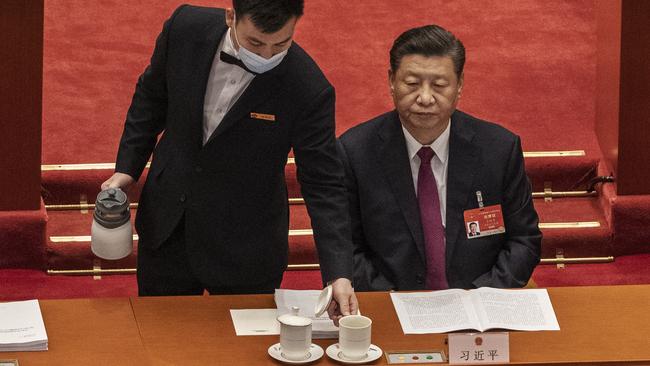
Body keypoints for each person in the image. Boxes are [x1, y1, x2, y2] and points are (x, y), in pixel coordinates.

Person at [101, 0, 356, 321]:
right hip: (168, 227)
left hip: (246, 248)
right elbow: (151, 95)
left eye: (281, 44)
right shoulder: (184, 28)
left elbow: (324, 184)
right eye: (254, 43)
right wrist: (127, 168)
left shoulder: (308, 89)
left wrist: (338, 273)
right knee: (161, 340)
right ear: (231, 16)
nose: (266, 56)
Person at [337, 24, 542, 291]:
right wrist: (391, 300)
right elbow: (344, 247)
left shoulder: (499, 149)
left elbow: (524, 239)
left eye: (439, 85)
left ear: (459, 86)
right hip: (392, 307)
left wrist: (485, 295)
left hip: (479, 308)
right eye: (411, 84)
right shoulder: (355, 152)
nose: (424, 98)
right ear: (391, 81)